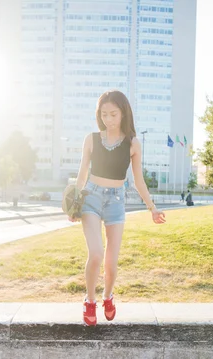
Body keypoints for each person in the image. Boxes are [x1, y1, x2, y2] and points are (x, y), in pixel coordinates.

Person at [70, 90, 166, 326]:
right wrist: (74, 202)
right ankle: (90, 301)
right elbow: (83, 172)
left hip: (116, 200)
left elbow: (138, 180)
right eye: (104, 114)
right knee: (95, 254)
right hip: (90, 197)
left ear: (123, 113)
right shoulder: (91, 139)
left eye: (113, 114)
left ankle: (108, 297)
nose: (108, 119)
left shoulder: (132, 143)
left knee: (111, 262)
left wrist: (151, 207)